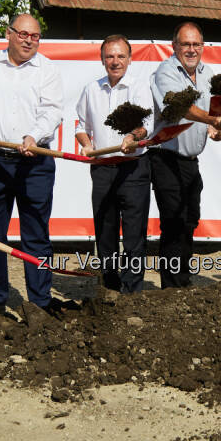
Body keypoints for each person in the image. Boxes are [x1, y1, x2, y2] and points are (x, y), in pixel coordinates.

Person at [0, 14, 64, 320]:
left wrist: (33, 135)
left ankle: (40, 301)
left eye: (35, 36)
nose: (28, 40)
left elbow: (52, 111)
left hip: (35, 162)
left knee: (36, 234)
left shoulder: (47, 70)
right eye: (23, 34)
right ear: (8, 34)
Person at [148, 22, 221, 288]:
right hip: (165, 159)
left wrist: (212, 129)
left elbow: (205, 115)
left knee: (189, 220)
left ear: (203, 46)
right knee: (173, 222)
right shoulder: (166, 71)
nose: (191, 50)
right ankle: (172, 288)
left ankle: (182, 282)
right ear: (174, 46)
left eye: (196, 44)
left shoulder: (208, 74)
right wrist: (211, 118)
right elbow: (179, 106)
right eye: (186, 44)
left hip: (191, 162)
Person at [75, 34, 153, 293]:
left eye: (121, 56)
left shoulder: (139, 88)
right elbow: (80, 125)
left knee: (133, 234)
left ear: (130, 59)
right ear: (102, 59)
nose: (115, 61)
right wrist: (86, 143)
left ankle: (131, 292)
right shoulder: (91, 89)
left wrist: (133, 136)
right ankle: (108, 288)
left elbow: (148, 126)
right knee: (105, 233)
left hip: (133, 169)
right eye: (110, 56)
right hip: (102, 169)